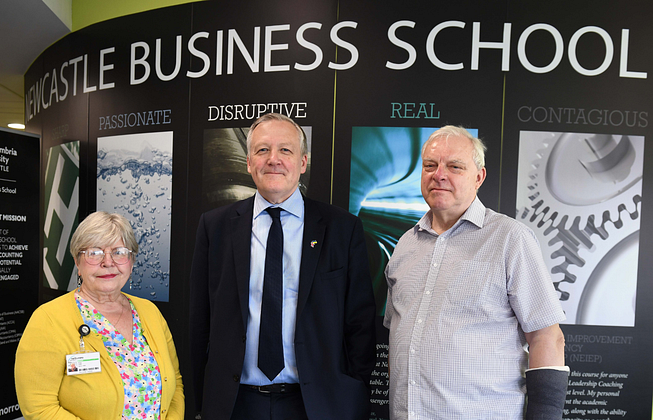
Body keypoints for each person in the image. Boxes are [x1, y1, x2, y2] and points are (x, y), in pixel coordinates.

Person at [190, 113, 376, 420]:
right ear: (248, 162)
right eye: (263, 150)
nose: (273, 159)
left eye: (285, 150)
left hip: (316, 405)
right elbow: (200, 322)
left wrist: (353, 394)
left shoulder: (343, 228)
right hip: (235, 405)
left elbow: (360, 324)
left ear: (303, 162)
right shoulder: (215, 226)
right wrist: (200, 403)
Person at [384, 126, 568, 419]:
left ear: (478, 177)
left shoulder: (510, 239)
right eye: (430, 165)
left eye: (455, 166)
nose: (439, 175)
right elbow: (398, 335)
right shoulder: (406, 244)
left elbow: (547, 337)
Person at [15, 211, 184, 420]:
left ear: (131, 261)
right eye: (94, 253)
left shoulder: (149, 312)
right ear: (77, 262)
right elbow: (39, 407)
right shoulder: (48, 319)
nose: (108, 262)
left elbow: (174, 383)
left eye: (119, 252)